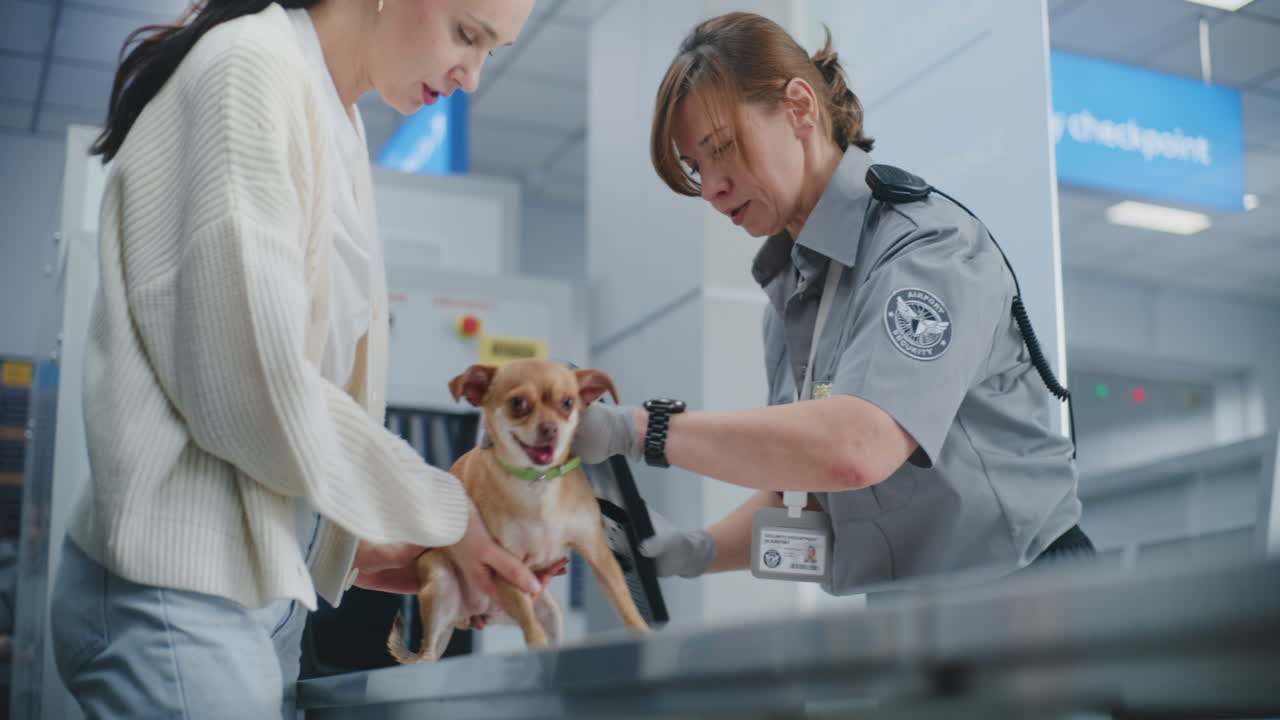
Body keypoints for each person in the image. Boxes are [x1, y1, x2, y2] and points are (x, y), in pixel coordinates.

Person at [50, 1, 547, 717]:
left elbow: (275, 413)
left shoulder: (336, 118)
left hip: (253, 595)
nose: (472, 76)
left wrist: (355, 548)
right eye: (466, 35)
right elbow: (253, 390)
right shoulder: (249, 71)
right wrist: (448, 515)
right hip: (176, 591)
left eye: (491, 50)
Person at [576, 12, 1094, 596]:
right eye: (699, 168)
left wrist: (641, 429)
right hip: (913, 611)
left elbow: (855, 448)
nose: (713, 186)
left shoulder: (922, 247)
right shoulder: (793, 294)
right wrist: (696, 551)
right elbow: (808, 491)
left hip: (1024, 592)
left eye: (722, 148)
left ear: (800, 108)